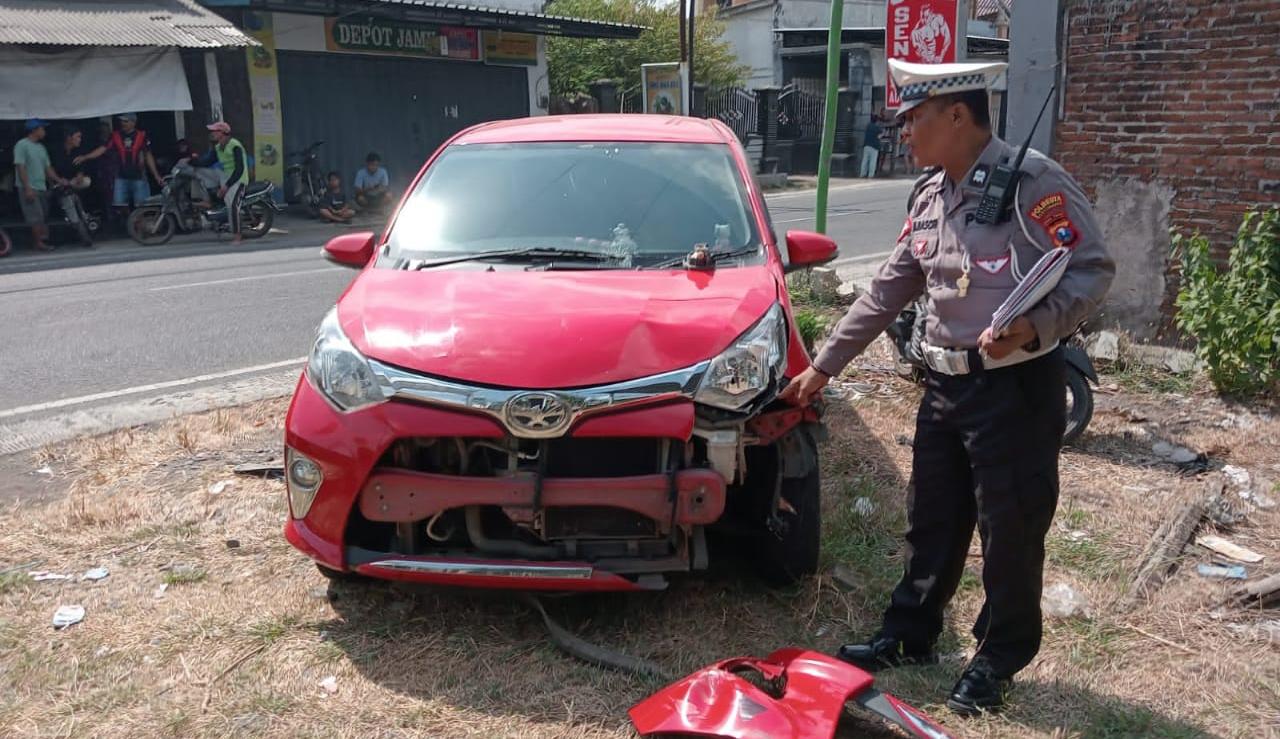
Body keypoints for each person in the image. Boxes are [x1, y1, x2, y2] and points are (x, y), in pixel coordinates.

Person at [780, 59, 1115, 717]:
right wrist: (824, 365)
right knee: (931, 517)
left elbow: (1092, 268)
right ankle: (910, 633)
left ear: (957, 115)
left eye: (914, 118)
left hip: (1014, 386)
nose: (903, 131)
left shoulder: (1033, 183)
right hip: (943, 384)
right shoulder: (930, 195)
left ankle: (998, 655)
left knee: (1010, 527)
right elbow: (885, 291)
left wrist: (1035, 326)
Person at [13, 119, 70, 251]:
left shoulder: (41, 148)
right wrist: (27, 188)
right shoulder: (21, 145)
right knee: (35, 216)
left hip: (41, 187)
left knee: (42, 215)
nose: (44, 131)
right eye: (42, 129)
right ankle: (39, 243)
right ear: (34, 130)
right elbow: (20, 167)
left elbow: (47, 168)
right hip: (29, 187)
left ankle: (41, 240)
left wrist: (59, 180)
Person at [197, 122, 250, 244]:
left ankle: (237, 236)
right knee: (198, 172)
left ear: (223, 133)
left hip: (238, 179)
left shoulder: (235, 145)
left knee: (233, 206)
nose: (212, 133)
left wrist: (226, 186)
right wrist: (191, 160)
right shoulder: (218, 147)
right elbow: (207, 162)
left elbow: (239, 169)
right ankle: (208, 201)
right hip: (225, 177)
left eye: (215, 131)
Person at [107, 113, 162, 221]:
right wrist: (86, 157)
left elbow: (148, 155)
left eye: (125, 121)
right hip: (121, 176)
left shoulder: (141, 135)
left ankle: (139, 225)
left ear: (133, 122)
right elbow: (104, 149)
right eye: (122, 121)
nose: (122, 123)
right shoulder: (115, 135)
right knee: (119, 205)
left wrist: (156, 175)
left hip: (139, 176)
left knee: (142, 206)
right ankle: (129, 222)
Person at [861, 110, 883, 178]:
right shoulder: (877, 128)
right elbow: (880, 135)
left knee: (865, 160)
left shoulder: (868, 126)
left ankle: (862, 174)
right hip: (874, 146)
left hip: (866, 145)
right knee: (872, 161)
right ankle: (870, 175)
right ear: (876, 121)